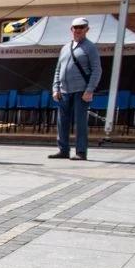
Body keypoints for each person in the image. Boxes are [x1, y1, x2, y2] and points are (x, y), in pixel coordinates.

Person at [50, 17, 102, 161]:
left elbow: (97, 70)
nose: (78, 30)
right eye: (75, 27)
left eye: (81, 27)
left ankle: (81, 151)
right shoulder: (65, 47)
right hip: (64, 90)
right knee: (62, 121)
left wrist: (90, 89)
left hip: (81, 90)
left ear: (87, 29)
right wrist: (56, 88)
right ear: (71, 29)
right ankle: (63, 150)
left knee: (80, 122)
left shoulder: (90, 47)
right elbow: (58, 69)